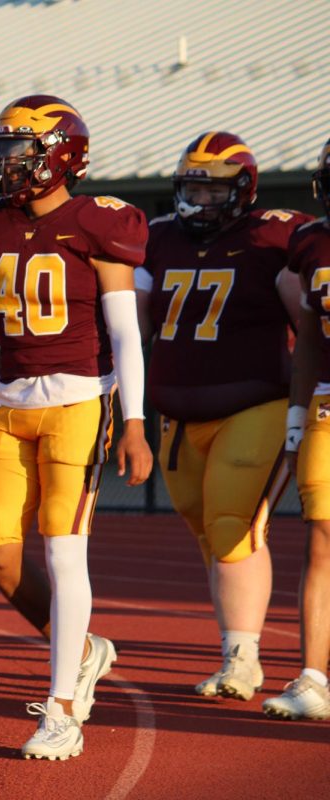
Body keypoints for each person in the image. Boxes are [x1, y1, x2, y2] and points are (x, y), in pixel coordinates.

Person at [0, 95, 153, 760]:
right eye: (5, 150)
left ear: (62, 157)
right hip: (10, 402)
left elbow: (124, 334)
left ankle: (61, 709)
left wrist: (133, 422)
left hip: (80, 400)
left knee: (61, 548)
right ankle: (83, 647)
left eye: (22, 150)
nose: (8, 163)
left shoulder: (100, 222)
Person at [135, 132, 309, 701]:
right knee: (213, 535)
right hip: (177, 415)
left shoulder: (275, 236)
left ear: (242, 191)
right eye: (191, 188)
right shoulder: (157, 238)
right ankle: (239, 646)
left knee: (234, 528)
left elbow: (308, 320)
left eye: (211, 190)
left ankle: (243, 659)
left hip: (254, 403)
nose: (198, 201)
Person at [263, 136, 330, 721]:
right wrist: (295, 409)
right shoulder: (312, 242)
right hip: (328, 406)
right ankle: (313, 676)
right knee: (322, 538)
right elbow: (309, 333)